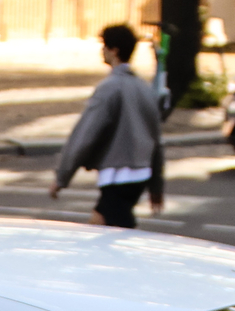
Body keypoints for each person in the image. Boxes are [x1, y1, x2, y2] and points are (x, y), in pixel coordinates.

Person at [50, 22, 165, 229]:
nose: (101, 50)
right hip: (141, 173)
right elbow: (156, 139)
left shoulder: (109, 88)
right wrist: (156, 186)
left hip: (117, 173)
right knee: (103, 225)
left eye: (104, 46)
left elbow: (85, 134)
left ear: (114, 51)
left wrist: (62, 176)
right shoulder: (144, 89)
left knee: (110, 232)